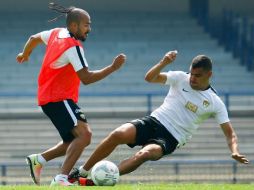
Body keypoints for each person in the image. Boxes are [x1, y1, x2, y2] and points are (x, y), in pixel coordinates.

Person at [68, 50, 249, 184]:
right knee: (117, 134)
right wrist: (164, 62)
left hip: (172, 137)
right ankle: (82, 171)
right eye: (191, 74)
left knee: (144, 154)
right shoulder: (180, 77)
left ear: (209, 75)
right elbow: (150, 78)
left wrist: (234, 150)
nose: (192, 79)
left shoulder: (215, 102)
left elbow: (229, 133)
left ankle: (95, 182)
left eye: (198, 76)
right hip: (155, 120)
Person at [16, 2, 126, 186]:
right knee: (84, 135)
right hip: (57, 97)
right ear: (74, 26)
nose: (89, 29)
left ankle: (39, 160)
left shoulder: (56, 33)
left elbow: (33, 38)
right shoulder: (72, 46)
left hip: (50, 96)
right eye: (86, 24)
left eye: (89, 24)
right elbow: (87, 78)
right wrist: (113, 68)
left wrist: (24, 53)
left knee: (75, 141)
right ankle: (60, 179)